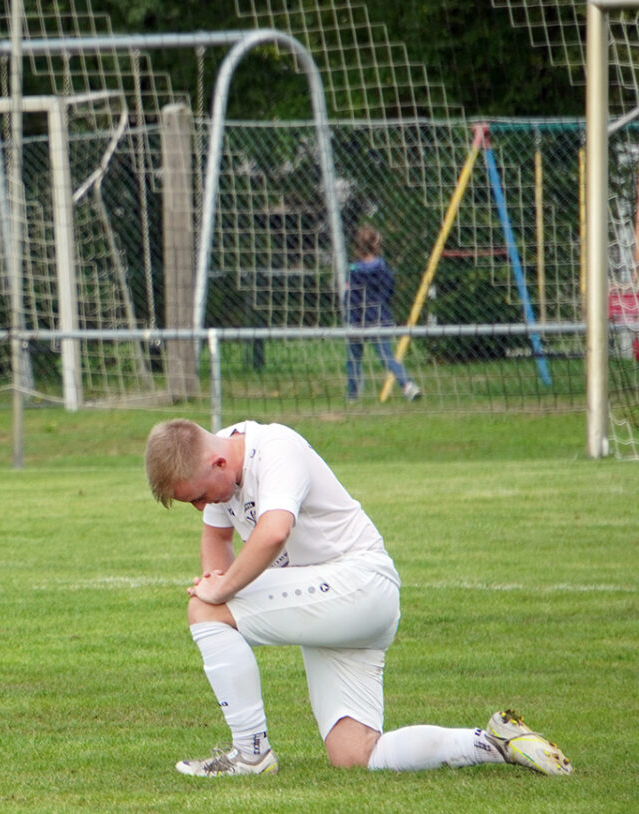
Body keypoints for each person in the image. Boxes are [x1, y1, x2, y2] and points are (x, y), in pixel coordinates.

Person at [143, 418, 573, 778]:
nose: (200, 507)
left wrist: (220, 591)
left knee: (205, 609)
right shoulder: (218, 461)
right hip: (338, 602)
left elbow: (274, 532)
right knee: (355, 754)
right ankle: (495, 742)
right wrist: (215, 577)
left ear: (218, 462)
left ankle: (250, 753)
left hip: (357, 583)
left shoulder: (275, 448)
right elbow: (217, 536)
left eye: (198, 497)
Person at [345, 225, 420, 402]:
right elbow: (389, 290)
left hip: (358, 320)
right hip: (379, 316)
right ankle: (408, 385)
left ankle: (353, 395)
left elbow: (351, 297)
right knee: (387, 357)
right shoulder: (383, 268)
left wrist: (351, 318)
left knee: (353, 358)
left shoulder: (353, 271)